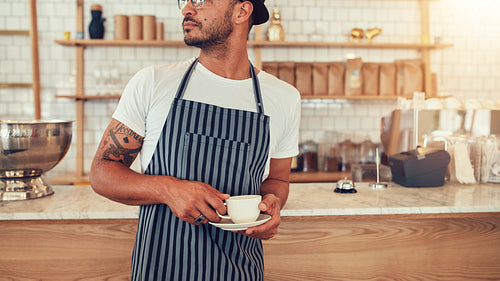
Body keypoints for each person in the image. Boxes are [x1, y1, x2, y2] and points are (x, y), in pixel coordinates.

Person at [90, 0, 301, 280]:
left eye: (201, 0)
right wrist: (168, 189)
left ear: (241, 11)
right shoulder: (152, 83)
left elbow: (277, 180)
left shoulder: (284, 98)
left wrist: (273, 202)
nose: (187, 9)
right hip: (160, 269)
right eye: (186, 0)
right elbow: (102, 171)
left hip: (240, 269)